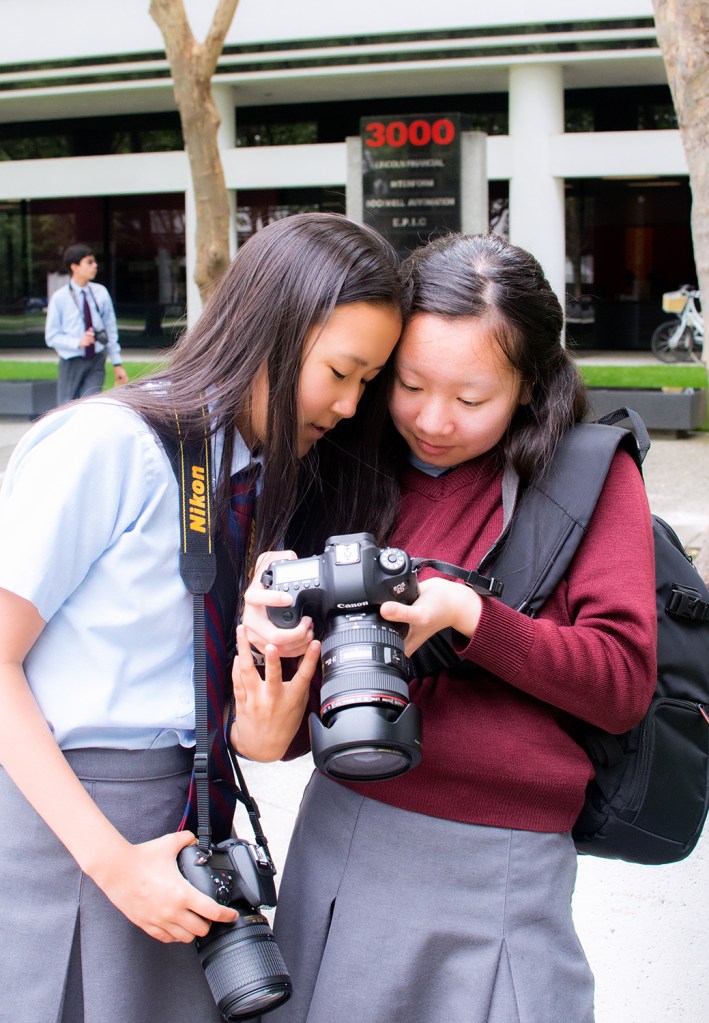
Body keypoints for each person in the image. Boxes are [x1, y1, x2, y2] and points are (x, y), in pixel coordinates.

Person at [238, 232, 658, 1023]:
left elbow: (621, 683)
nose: (432, 420)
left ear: (529, 384)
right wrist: (270, 696)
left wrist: (467, 614)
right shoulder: (347, 464)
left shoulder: (585, 475)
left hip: (499, 869)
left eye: (470, 400)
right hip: (342, 837)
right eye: (408, 385)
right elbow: (309, 695)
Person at [0, 212, 404, 1023]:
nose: (348, 404)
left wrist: (263, 710)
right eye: (340, 371)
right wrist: (113, 864)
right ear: (271, 326)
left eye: (369, 382)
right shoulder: (109, 443)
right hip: (74, 830)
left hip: (190, 826)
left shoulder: (258, 473)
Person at [45, 242, 129, 403]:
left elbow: (110, 330)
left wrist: (117, 363)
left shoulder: (101, 292)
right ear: (74, 267)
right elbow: (51, 336)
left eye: (94, 261)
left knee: (91, 405)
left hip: (97, 358)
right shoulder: (60, 298)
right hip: (71, 360)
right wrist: (78, 342)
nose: (95, 266)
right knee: (66, 407)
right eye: (89, 262)